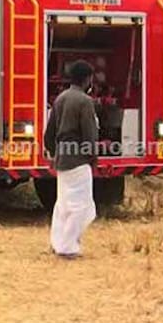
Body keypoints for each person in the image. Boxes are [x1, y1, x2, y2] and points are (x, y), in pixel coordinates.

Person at [42, 60, 99, 259]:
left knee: (64, 204)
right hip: (78, 160)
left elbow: (48, 134)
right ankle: (68, 247)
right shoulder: (85, 101)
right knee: (81, 205)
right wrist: (92, 157)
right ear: (87, 79)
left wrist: (53, 152)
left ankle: (58, 242)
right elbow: (90, 134)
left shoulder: (60, 99)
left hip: (62, 159)